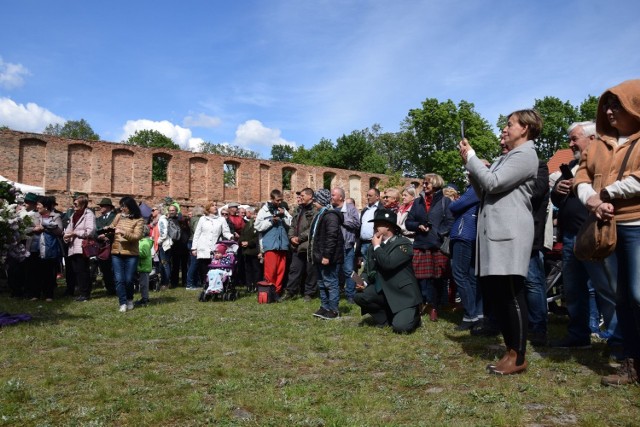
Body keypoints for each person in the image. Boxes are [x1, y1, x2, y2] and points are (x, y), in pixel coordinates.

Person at [459, 108, 541, 375]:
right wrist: (471, 168)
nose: (505, 129)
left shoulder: (526, 154)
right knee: (500, 293)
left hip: (510, 230)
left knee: (511, 291)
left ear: (525, 128)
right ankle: (511, 351)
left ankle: (518, 356)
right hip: (498, 230)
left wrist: (472, 158)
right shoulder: (508, 157)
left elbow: (493, 183)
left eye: (510, 124)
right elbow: (485, 191)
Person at [573, 80, 640, 386]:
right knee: (622, 298)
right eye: (607, 105)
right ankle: (632, 362)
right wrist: (590, 199)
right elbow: (582, 175)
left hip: (637, 225)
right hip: (608, 229)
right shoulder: (598, 144)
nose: (610, 111)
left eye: (617, 104)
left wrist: (606, 193)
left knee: (638, 294)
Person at [549, 121, 620, 352]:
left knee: (605, 288)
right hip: (571, 237)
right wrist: (558, 190)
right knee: (574, 289)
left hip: (596, 234)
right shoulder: (570, 165)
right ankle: (579, 335)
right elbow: (556, 199)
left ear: (591, 139)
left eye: (574, 139)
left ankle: (617, 339)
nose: (570, 144)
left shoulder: (606, 162)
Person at [354, 209, 422, 333]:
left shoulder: (403, 244)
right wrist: (362, 282)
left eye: (379, 224)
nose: (375, 226)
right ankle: (385, 319)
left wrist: (377, 247)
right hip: (384, 291)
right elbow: (368, 269)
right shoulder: (372, 247)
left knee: (401, 328)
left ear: (388, 227)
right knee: (360, 296)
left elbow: (388, 264)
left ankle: (415, 315)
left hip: (402, 295)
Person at [405, 173, 454, 321]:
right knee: (420, 277)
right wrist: (418, 226)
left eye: (427, 183)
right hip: (421, 244)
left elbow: (450, 222)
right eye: (424, 183)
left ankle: (435, 306)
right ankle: (423, 304)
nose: (424, 186)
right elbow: (408, 222)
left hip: (437, 245)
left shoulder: (445, 201)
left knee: (438, 278)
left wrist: (438, 233)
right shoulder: (418, 202)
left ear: (436, 184)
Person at [448, 184, 481, 331]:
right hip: (471, 234)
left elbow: (455, 206)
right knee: (471, 276)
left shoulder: (475, 188)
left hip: (464, 234)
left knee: (460, 274)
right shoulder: (477, 188)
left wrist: (456, 202)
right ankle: (477, 314)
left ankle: (471, 315)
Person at [309, 189, 344, 319]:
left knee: (331, 283)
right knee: (322, 283)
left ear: (321, 201)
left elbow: (331, 237)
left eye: (315, 200)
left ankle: (334, 310)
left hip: (328, 257)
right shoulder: (320, 215)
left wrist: (326, 256)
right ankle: (325, 307)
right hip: (319, 256)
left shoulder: (331, 216)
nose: (313, 203)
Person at [254, 189, 292, 297]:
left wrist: (283, 214)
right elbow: (257, 226)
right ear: (272, 199)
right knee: (270, 271)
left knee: (281, 271)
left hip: (282, 245)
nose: (279, 202)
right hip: (270, 245)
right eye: (277, 200)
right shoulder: (264, 211)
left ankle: (278, 292)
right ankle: (269, 292)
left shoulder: (283, 209)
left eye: (281, 200)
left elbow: (291, 222)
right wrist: (271, 221)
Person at [282, 188, 318, 301]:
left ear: (310, 197)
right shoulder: (298, 209)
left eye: (302, 195)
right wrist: (291, 237)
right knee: (294, 270)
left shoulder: (315, 210)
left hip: (308, 246)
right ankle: (290, 292)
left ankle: (309, 293)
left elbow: (313, 227)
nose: (300, 197)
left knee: (310, 271)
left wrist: (300, 238)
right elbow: (292, 225)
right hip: (296, 246)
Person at [110, 196, 144, 312]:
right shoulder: (118, 217)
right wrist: (106, 232)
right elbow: (112, 228)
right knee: (119, 279)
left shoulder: (139, 220)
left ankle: (130, 299)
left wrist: (123, 232)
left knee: (129, 279)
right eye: (121, 206)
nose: (122, 208)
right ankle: (122, 302)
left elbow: (137, 236)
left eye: (124, 206)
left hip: (131, 253)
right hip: (116, 252)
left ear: (130, 207)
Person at [27, 196, 63, 301]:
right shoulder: (33, 216)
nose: (37, 206)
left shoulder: (55, 216)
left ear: (46, 207)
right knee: (35, 271)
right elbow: (25, 229)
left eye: (39, 205)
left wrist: (48, 228)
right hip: (34, 247)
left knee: (49, 271)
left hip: (49, 248)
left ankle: (48, 294)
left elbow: (60, 232)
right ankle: (35, 294)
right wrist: (35, 229)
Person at [191, 202, 234, 289]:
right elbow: (197, 234)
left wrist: (231, 236)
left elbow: (225, 232)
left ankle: (215, 285)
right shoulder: (202, 219)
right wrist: (194, 248)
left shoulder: (221, 219)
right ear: (208, 208)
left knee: (215, 267)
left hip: (215, 247)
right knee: (203, 268)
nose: (215, 207)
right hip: (203, 246)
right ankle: (206, 285)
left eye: (215, 205)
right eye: (212, 205)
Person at [63, 194, 96, 301]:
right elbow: (69, 229)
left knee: (83, 270)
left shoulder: (88, 214)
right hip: (73, 246)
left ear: (82, 203)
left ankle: (85, 293)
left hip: (82, 246)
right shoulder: (74, 215)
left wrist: (75, 233)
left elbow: (90, 231)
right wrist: (66, 236)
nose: (74, 205)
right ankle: (81, 291)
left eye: (76, 203)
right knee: (76, 270)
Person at [331, 187, 361, 304]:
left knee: (350, 271)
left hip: (347, 245)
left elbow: (356, 224)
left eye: (333, 195)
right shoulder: (330, 209)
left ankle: (353, 294)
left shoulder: (350, 208)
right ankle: (335, 293)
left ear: (341, 197)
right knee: (334, 271)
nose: (331, 197)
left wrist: (342, 219)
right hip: (333, 246)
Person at [95, 198, 117, 295]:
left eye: (102, 206)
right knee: (104, 268)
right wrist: (98, 236)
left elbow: (115, 229)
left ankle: (115, 288)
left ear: (108, 207)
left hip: (112, 244)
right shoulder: (98, 219)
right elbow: (95, 230)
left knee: (113, 268)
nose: (100, 208)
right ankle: (109, 288)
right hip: (101, 246)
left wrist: (106, 235)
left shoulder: (114, 217)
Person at [238, 206, 262, 292]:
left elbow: (258, 238)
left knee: (256, 269)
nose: (255, 216)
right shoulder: (248, 224)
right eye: (255, 215)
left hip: (254, 250)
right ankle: (249, 285)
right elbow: (242, 234)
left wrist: (249, 243)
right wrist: (241, 242)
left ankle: (256, 285)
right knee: (248, 269)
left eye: (257, 215)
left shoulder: (259, 225)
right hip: (246, 251)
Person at [358, 188, 381, 268]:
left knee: (375, 268)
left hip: (374, 243)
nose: (368, 197)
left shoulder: (380, 209)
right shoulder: (365, 210)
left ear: (377, 197)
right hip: (363, 244)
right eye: (367, 195)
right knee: (366, 268)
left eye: (370, 195)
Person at [186, 205, 204, 290]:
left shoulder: (192, 219)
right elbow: (197, 231)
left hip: (192, 241)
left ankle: (194, 283)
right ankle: (189, 284)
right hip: (195, 242)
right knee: (194, 264)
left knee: (194, 263)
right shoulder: (198, 220)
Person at [134, 225, 153, 306]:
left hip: (144, 267)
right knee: (142, 284)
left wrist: (135, 252)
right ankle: (144, 298)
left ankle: (145, 299)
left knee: (144, 285)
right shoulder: (143, 241)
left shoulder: (144, 243)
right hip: (142, 266)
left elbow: (144, 254)